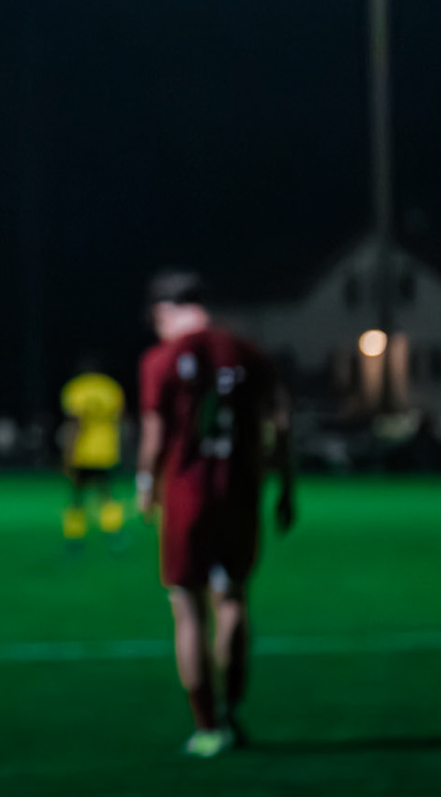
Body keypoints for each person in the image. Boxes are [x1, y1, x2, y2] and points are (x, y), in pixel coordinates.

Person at [134, 271, 295, 758]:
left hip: (186, 496)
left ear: (164, 311)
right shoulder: (250, 353)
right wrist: (287, 490)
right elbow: (281, 426)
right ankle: (233, 711)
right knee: (233, 601)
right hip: (241, 493)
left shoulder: (161, 359)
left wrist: (145, 483)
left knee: (188, 608)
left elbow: (156, 432)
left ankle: (206, 726)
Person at [58, 363, 126, 549]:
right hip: (107, 451)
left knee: (77, 496)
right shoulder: (111, 388)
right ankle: (114, 535)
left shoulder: (76, 387)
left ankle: (74, 538)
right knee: (106, 494)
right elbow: (120, 420)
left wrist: (67, 454)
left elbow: (74, 424)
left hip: (82, 452)